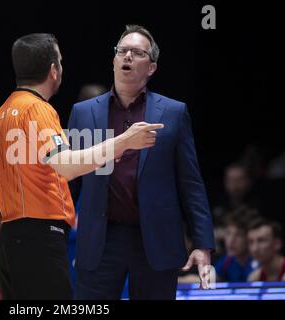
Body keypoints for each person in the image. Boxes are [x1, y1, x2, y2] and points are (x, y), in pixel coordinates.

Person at [0, 33, 163, 299]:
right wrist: (125, 141)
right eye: (60, 61)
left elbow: (45, 165)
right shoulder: (38, 109)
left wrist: (102, 154)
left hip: (11, 238)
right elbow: (66, 166)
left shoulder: (2, 112)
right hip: (39, 238)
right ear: (53, 70)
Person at [67, 24, 215, 300]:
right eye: (122, 51)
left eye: (137, 52)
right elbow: (68, 178)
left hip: (155, 240)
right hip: (100, 239)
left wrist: (203, 244)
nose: (127, 57)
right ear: (113, 59)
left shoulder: (173, 112)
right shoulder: (83, 112)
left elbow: (190, 183)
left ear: (151, 68)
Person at [214, 209, 257, 282]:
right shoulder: (226, 261)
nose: (231, 240)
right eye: (228, 233)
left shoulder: (260, 261)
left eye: (239, 235)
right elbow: (210, 281)